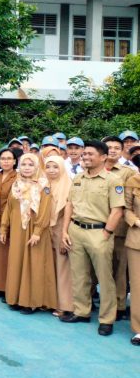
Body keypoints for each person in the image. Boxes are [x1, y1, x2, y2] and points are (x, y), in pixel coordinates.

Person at [60, 140, 124, 337]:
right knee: (79, 275)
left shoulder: (112, 180)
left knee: (105, 278)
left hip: (99, 232)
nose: (85, 157)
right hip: (76, 231)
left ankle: (106, 319)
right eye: (84, 154)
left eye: (90, 154)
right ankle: (82, 311)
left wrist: (106, 233)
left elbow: (117, 211)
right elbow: (69, 205)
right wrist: (64, 231)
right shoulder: (78, 178)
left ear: (103, 157)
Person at [0, 154, 57, 313]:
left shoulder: (43, 185)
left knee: (34, 264)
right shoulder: (16, 184)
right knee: (16, 261)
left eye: (31, 164)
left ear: (37, 167)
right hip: (18, 230)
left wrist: (38, 231)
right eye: (23, 164)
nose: (26, 167)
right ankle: (16, 298)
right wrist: (4, 228)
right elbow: (9, 209)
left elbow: (45, 211)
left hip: (35, 230)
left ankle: (31, 301)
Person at [102, 135, 135, 321]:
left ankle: (120, 305)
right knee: (97, 268)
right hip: (97, 225)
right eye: (109, 147)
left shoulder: (127, 172)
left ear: (122, 150)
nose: (113, 150)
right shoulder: (92, 169)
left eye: (116, 147)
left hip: (120, 229)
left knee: (119, 269)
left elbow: (128, 202)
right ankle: (94, 299)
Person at [44, 155, 74, 317]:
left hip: (62, 230)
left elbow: (72, 212)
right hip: (45, 231)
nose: (51, 170)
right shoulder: (43, 184)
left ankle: (65, 304)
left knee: (63, 268)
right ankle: (49, 300)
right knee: (48, 265)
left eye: (55, 167)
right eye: (48, 166)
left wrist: (65, 234)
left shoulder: (69, 185)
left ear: (62, 167)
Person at [0, 149, 18, 297]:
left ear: (14, 161)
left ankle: (10, 287)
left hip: (11, 219)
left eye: (9, 158)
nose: (6, 161)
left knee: (9, 252)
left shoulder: (19, 176)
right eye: (3, 158)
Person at [123, 151, 140, 345]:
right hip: (136, 239)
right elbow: (126, 208)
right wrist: (136, 221)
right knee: (137, 285)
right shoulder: (133, 182)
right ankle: (138, 328)